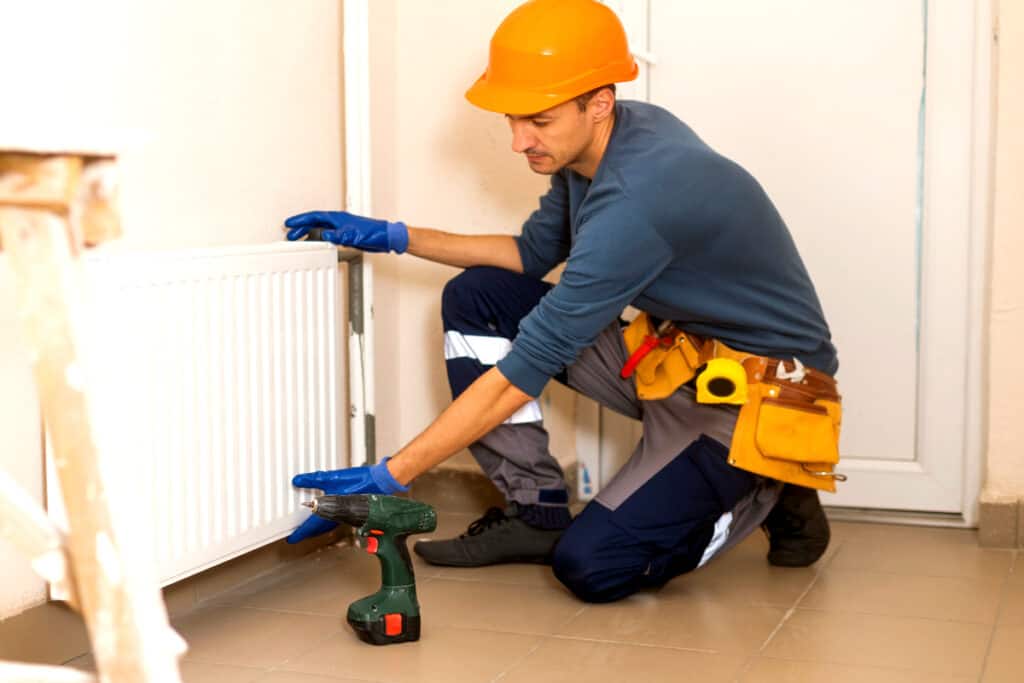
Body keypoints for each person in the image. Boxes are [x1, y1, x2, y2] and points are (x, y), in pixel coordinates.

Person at [283, 0, 842, 603]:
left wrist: (388, 477)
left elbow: (522, 373)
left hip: (758, 395)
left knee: (592, 567)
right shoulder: (598, 147)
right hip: (676, 359)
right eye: (513, 119)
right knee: (481, 296)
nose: (520, 141)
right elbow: (529, 255)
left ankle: (771, 479)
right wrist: (395, 235)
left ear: (597, 102)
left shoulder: (639, 197)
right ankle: (535, 511)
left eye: (539, 121)